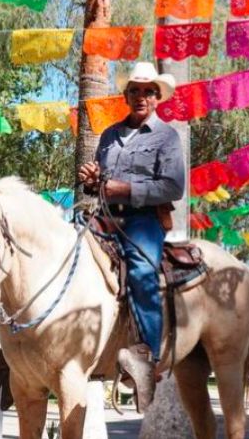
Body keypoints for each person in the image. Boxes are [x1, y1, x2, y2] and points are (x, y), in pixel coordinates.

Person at [77, 61, 184, 410]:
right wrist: (93, 181)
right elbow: (98, 185)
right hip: (105, 218)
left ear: (157, 98)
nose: (141, 97)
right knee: (68, 256)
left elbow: (172, 186)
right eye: (135, 90)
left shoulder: (166, 136)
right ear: (126, 95)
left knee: (140, 272)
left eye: (148, 92)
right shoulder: (108, 135)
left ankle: (146, 360)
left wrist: (121, 188)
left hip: (142, 221)